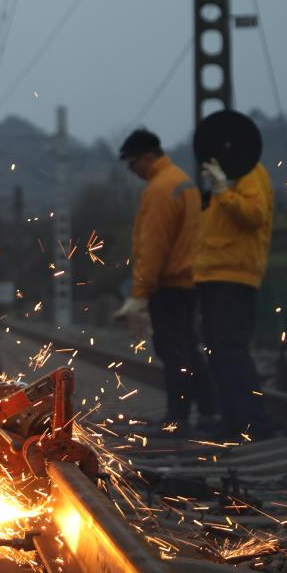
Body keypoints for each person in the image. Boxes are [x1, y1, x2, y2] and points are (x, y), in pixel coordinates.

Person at [112, 129, 217, 434]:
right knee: (189, 349)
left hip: (167, 284)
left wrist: (139, 292)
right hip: (188, 281)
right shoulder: (184, 182)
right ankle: (209, 412)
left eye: (133, 165)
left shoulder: (160, 189)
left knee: (175, 353)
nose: (133, 171)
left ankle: (178, 418)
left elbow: (154, 246)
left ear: (147, 156)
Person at [195, 154, 275, 440]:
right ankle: (232, 421)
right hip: (213, 277)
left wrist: (223, 192)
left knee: (232, 351)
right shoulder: (223, 182)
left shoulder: (250, 172)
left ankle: (255, 422)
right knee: (218, 353)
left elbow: (255, 214)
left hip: (235, 277)